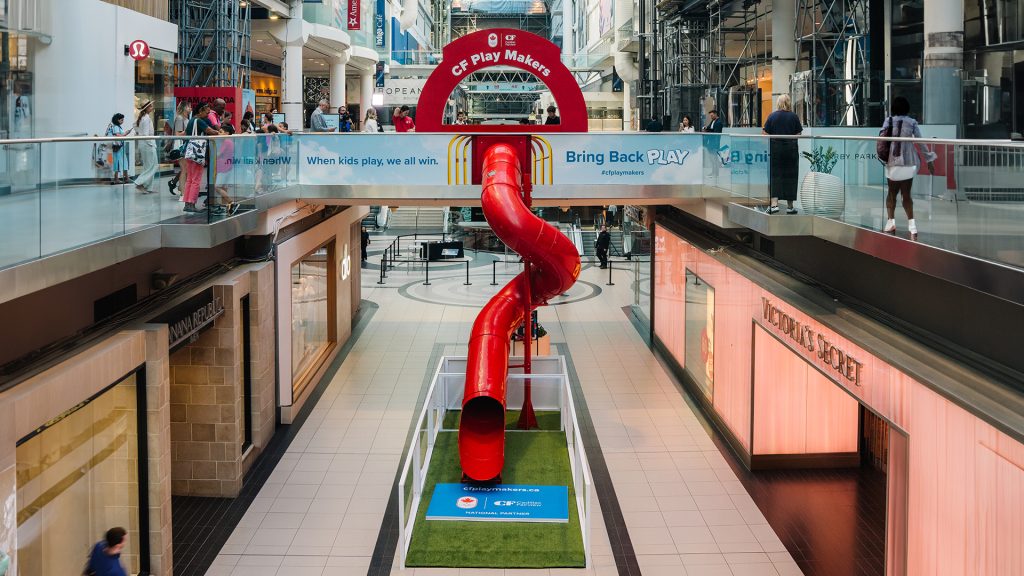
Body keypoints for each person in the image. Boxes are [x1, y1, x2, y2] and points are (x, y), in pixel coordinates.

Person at [882, 96, 936, 239]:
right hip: (908, 162)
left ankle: (890, 222)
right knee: (907, 195)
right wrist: (929, 159)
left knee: (891, 193)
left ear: (893, 108)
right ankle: (912, 226)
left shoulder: (889, 121)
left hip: (893, 162)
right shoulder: (912, 122)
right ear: (907, 109)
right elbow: (920, 142)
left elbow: (882, 140)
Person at [762, 94, 804, 214]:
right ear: (789, 103)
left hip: (776, 149)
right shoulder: (794, 116)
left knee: (775, 175)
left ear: (779, 103)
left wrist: (774, 138)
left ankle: (774, 204)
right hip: (791, 150)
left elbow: (764, 133)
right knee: (791, 176)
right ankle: (790, 206)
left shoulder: (772, 116)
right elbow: (798, 133)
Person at [183, 102, 221, 213]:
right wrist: (219, 132)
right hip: (197, 153)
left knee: (189, 179)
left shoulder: (191, 120)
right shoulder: (199, 121)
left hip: (189, 152)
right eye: (207, 112)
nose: (208, 115)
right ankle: (192, 203)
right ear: (201, 111)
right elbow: (211, 131)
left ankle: (187, 203)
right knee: (196, 179)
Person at [133, 101, 157, 194]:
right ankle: (139, 182)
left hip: (143, 144)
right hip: (148, 144)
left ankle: (147, 187)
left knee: (148, 166)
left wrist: (139, 133)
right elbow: (146, 134)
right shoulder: (146, 118)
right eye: (150, 106)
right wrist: (151, 144)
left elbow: (134, 126)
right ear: (146, 108)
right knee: (153, 165)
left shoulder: (142, 117)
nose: (152, 107)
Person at [168, 101, 191, 195]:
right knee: (185, 169)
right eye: (189, 107)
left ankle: (180, 188)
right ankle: (182, 191)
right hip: (180, 145)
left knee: (185, 169)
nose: (190, 109)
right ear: (184, 108)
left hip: (185, 145)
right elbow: (178, 134)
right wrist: (188, 131)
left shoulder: (186, 118)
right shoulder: (179, 118)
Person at [105, 113, 133, 184]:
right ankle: (118, 178)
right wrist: (125, 133)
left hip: (119, 147)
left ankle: (125, 177)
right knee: (118, 162)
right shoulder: (116, 127)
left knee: (122, 161)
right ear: (117, 120)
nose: (123, 121)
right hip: (117, 148)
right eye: (121, 120)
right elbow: (117, 135)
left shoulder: (116, 126)